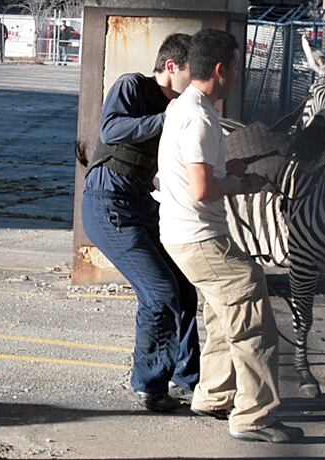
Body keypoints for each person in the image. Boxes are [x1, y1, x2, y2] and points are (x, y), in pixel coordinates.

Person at [158, 28, 304, 443]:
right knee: (253, 315)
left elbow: (196, 173)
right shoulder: (202, 117)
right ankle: (254, 417)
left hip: (182, 234)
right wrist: (245, 185)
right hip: (201, 235)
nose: (238, 75)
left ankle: (214, 394)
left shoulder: (184, 107)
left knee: (225, 312)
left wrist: (233, 172)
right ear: (220, 70)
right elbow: (202, 188)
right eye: (237, 68)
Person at [82, 33, 200, 412]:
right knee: (160, 290)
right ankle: (150, 386)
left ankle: (189, 381)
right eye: (190, 72)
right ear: (171, 67)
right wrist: (167, 118)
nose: (194, 82)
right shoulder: (133, 86)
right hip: (109, 202)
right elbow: (111, 130)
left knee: (183, 289)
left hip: (140, 203)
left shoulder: (178, 105)